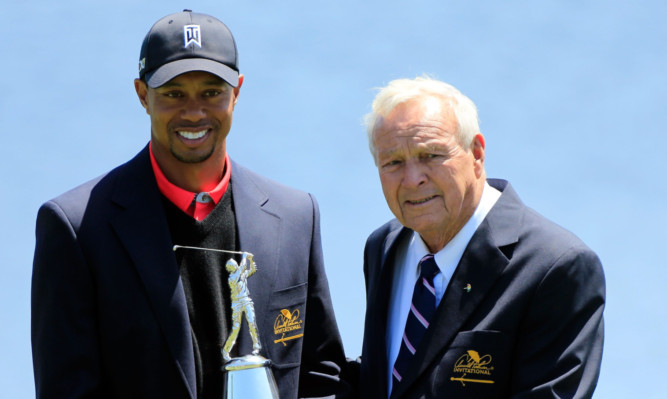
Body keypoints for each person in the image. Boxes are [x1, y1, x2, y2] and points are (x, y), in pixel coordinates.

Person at [31, 10, 349, 399]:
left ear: (237, 91)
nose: (194, 112)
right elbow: (68, 389)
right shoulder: (77, 227)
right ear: (142, 95)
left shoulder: (297, 216)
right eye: (174, 93)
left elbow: (320, 377)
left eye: (211, 92)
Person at [358, 76, 605, 398]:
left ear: (476, 153)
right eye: (393, 162)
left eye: (431, 155)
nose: (413, 179)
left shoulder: (558, 266)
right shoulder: (385, 246)